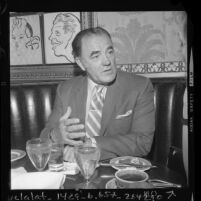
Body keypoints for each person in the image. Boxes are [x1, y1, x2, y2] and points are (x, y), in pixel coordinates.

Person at [40, 27, 155, 161]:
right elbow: (43, 139)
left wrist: (92, 146)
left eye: (109, 52)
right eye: (95, 56)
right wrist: (57, 135)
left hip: (117, 172)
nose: (107, 61)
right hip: (74, 172)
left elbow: (143, 142)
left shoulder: (139, 86)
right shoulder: (65, 89)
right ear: (81, 63)